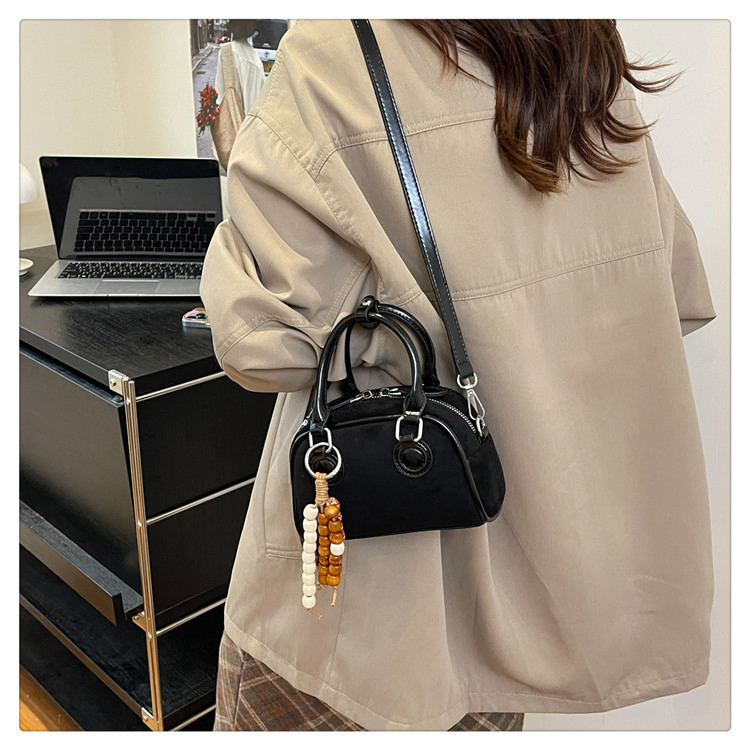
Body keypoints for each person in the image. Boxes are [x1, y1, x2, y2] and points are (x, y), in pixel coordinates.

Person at [200, 20, 715, 731]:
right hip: (527, 600)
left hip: (368, 619)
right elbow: (676, 293)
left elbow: (259, 345)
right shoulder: (582, 48)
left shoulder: (333, 50)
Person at [215, 20, 266, 116]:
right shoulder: (255, 59)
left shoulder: (226, 52)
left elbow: (220, 94)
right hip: (251, 122)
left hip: (230, 121)